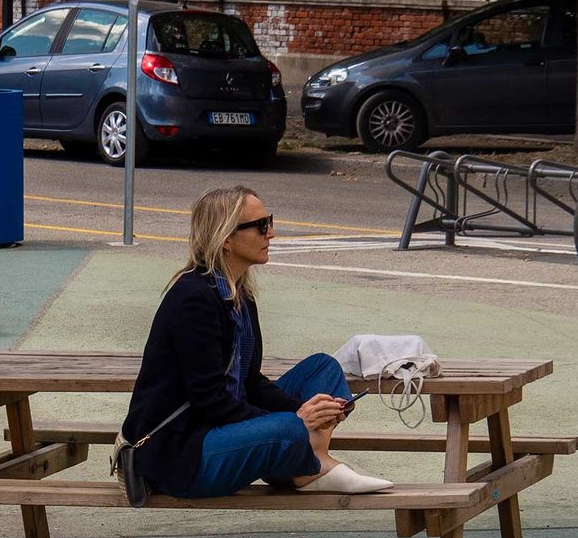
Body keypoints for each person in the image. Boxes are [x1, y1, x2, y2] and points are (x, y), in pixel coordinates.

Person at [121, 186, 394, 499]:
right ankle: (307, 465)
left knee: (324, 369)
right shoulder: (192, 299)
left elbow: (249, 383)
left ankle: (306, 464)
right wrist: (296, 419)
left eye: (270, 221)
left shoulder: (240, 296)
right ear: (226, 239)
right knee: (288, 428)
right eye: (262, 225)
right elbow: (209, 402)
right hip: (184, 453)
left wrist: (304, 408)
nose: (272, 233)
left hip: (226, 431)